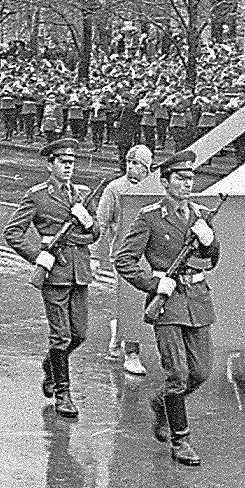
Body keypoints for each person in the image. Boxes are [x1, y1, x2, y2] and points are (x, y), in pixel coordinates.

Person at [115, 150, 220, 466]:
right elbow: (124, 260)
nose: (187, 185)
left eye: (190, 179)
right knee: (177, 373)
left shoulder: (200, 215)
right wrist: (153, 284)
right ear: (164, 182)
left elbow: (213, 260)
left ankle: (163, 404)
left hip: (197, 297)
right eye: (180, 179)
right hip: (168, 303)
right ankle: (181, 440)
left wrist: (210, 240)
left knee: (200, 372)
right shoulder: (149, 217)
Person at [5, 138, 101, 418]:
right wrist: (37, 255)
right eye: (63, 162)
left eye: (72, 163)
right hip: (54, 271)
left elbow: (94, 234)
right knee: (61, 336)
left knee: (79, 334)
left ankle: (51, 365)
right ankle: (63, 393)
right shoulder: (38, 195)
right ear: (51, 165)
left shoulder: (82, 193)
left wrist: (87, 221)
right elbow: (12, 232)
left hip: (79, 270)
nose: (69, 167)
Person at [96, 143, 153, 377]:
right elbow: (100, 222)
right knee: (130, 304)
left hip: (151, 256)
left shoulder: (157, 188)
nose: (131, 167)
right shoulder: (115, 188)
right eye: (129, 163)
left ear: (147, 167)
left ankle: (118, 329)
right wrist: (93, 254)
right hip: (123, 255)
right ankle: (131, 353)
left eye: (137, 164)